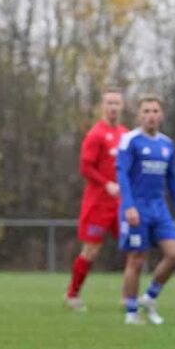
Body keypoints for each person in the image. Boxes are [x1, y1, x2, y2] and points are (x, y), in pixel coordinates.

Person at [117, 94, 175, 325]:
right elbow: (122, 175)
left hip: (160, 210)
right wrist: (128, 206)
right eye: (146, 111)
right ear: (139, 115)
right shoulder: (130, 141)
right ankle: (131, 312)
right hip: (137, 209)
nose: (151, 115)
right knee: (136, 259)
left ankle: (149, 297)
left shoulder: (167, 144)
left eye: (155, 111)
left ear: (161, 115)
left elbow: (173, 180)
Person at [64, 89, 129, 311]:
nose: (113, 107)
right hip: (98, 204)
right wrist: (106, 184)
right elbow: (85, 167)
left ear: (122, 106)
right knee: (91, 251)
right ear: (103, 106)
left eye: (117, 103)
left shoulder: (125, 135)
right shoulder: (96, 134)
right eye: (109, 103)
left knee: (134, 248)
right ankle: (72, 295)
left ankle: (127, 297)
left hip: (120, 204)